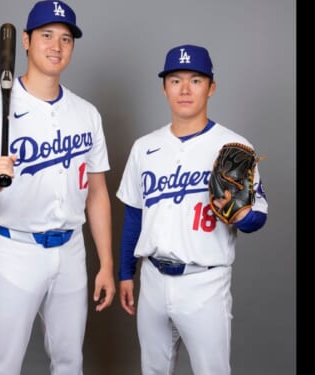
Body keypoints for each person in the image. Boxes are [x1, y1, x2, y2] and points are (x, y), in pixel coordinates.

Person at [0, 1, 115, 374]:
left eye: (66, 38)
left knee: (71, 362)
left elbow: (98, 192)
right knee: (2, 365)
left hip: (71, 250)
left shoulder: (87, 113)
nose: (56, 45)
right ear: (24, 41)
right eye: (46, 36)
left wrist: (105, 263)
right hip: (15, 250)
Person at [116, 44, 269, 374]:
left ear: (211, 87)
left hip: (205, 284)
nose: (184, 89)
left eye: (196, 80)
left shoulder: (234, 147)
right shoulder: (144, 147)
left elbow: (258, 218)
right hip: (153, 280)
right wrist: (126, 273)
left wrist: (241, 214)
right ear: (164, 87)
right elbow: (134, 215)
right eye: (175, 80)